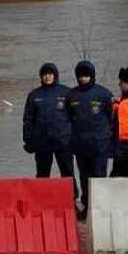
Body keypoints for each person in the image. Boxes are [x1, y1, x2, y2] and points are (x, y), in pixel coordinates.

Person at [65, 60, 113, 219]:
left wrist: (108, 141)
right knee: (84, 177)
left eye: (86, 76)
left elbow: (111, 118)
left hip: (99, 145)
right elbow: (68, 117)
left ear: (92, 76)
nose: (83, 79)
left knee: (99, 176)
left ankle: (100, 209)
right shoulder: (71, 96)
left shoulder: (104, 94)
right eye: (80, 76)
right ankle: (86, 206)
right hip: (80, 145)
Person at [22, 63, 76, 195]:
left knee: (67, 173)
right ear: (41, 77)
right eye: (45, 74)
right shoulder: (34, 95)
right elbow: (28, 119)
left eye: (50, 74)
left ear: (55, 75)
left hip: (63, 141)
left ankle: (72, 198)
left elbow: (75, 117)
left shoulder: (67, 92)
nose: (47, 77)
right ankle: (41, 199)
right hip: (42, 143)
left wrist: (74, 139)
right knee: (42, 174)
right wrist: (28, 140)